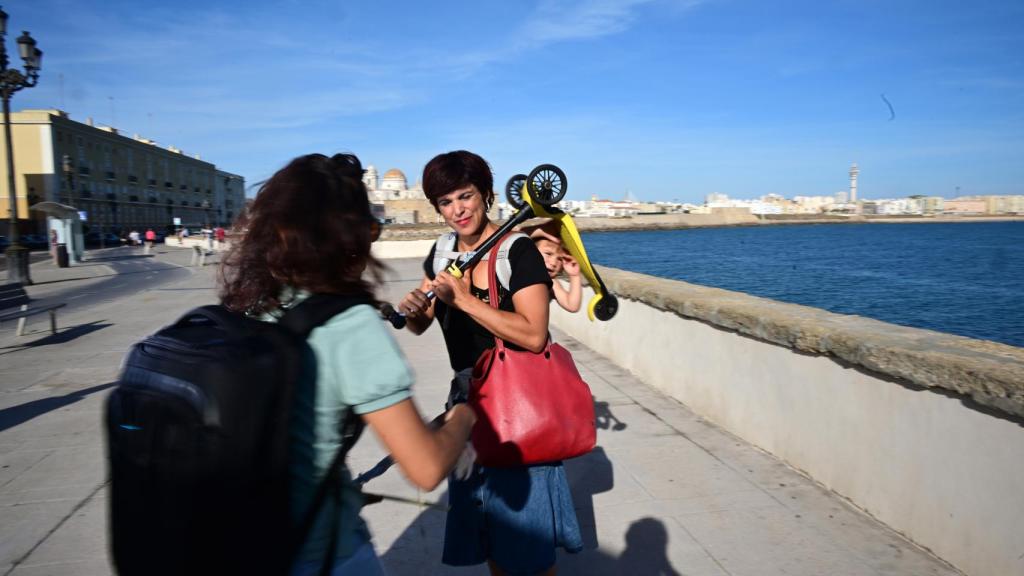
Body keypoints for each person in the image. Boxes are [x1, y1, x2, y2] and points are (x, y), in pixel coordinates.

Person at [219, 152, 476, 575]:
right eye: (370, 230)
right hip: (323, 553)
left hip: (241, 544)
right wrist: (463, 417)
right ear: (350, 236)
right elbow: (426, 467)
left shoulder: (251, 307)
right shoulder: (348, 324)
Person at [398, 150, 583, 575]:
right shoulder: (442, 252)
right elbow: (423, 323)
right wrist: (414, 311)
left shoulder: (518, 252)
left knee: (528, 547)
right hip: (466, 403)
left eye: (465, 196)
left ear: (486, 194)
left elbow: (534, 335)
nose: (458, 210)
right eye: (446, 202)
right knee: (490, 538)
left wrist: (464, 300)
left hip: (518, 405)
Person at [524, 222, 582, 313]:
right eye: (548, 254)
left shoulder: (551, 283)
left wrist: (574, 276)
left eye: (560, 259)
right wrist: (540, 231)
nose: (553, 263)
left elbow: (572, 305)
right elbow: (511, 236)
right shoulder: (519, 265)